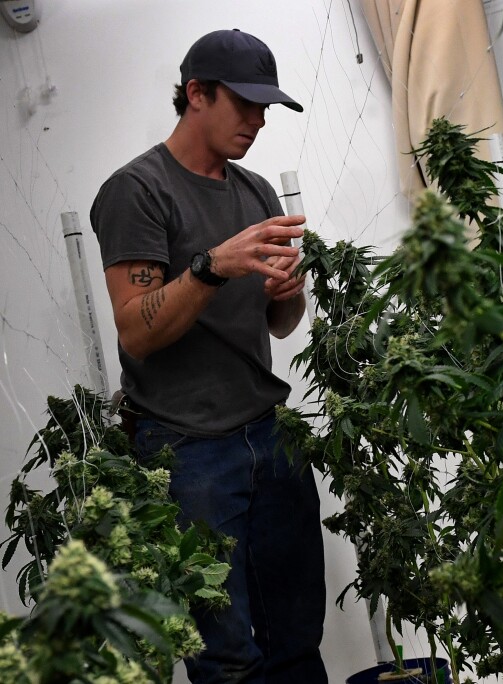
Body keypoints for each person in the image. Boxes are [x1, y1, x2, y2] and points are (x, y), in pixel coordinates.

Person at [90, 29, 327, 684]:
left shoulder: (255, 193)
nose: (257, 120)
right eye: (244, 104)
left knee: (298, 641)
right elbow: (135, 331)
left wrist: (289, 294)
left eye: (265, 108)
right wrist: (212, 265)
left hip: (270, 439)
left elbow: (280, 326)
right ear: (197, 94)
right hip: (188, 454)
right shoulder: (137, 191)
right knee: (224, 660)